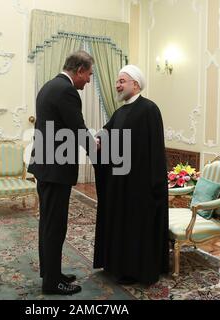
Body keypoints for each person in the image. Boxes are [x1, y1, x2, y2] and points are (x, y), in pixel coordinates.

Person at [93, 65, 169, 285]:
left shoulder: (149, 109)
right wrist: (96, 141)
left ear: (135, 84)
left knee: (136, 228)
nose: (117, 85)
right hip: (120, 183)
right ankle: (118, 265)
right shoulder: (119, 112)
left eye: (122, 81)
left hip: (140, 185)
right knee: (121, 225)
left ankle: (136, 271)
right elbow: (106, 135)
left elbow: (155, 149)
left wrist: (155, 184)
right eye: (117, 81)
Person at [28, 50, 94, 295]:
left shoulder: (48, 86)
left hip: (45, 166)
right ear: (79, 70)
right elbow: (78, 129)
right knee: (55, 226)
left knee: (48, 223)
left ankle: (51, 273)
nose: (88, 80)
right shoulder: (66, 91)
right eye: (88, 74)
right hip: (55, 169)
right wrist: (98, 153)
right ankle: (53, 283)